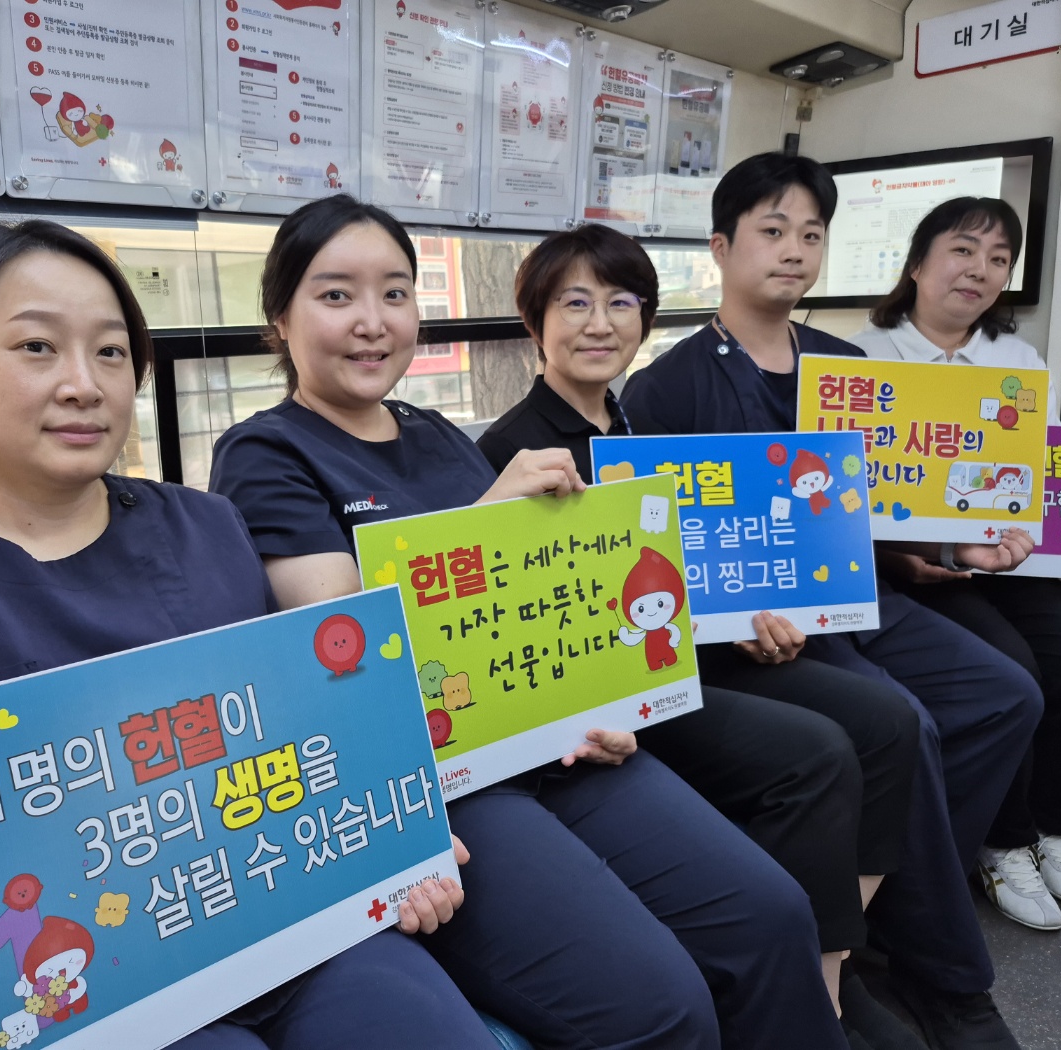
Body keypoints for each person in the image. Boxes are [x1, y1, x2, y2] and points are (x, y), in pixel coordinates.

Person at [0, 220, 500, 1050]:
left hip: (289, 925)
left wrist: (386, 842)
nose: (85, 384)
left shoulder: (209, 528)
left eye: (111, 352)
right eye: (37, 348)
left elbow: (298, 738)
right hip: (86, 994)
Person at [207, 193, 847, 1050]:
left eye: (395, 293)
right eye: (335, 295)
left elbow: (534, 606)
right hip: (441, 785)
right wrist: (486, 518)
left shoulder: (435, 432)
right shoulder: (266, 451)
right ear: (280, 318)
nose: (372, 321)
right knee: (661, 1004)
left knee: (773, 915)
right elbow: (345, 649)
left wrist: (601, 701)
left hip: (556, 745)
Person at [620, 153, 1045, 1050]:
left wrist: (952, 546)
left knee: (1006, 695)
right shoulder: (666, 386)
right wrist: (730, 622)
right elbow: (651, 545)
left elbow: (888, 506)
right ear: (721, 247)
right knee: (903, 725)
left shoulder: (846, 367)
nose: (795, 250)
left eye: (811, 235)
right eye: (773, 231)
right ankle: (942, 971)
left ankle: (878, 904)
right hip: (752, 629)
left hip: (858, 599)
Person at [476, 223, 925, 1050]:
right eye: (574, 304)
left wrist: (746, 619)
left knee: (888, 720)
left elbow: (688, 573)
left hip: (681, 660)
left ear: (645, 320)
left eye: (622, 304)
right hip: (609, 703)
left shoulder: (638, 432)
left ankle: (831, 966)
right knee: (817, 751)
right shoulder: (509, 455)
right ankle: (815, 987)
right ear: (535, 321)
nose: (600, 323)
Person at [849, 196, 1061, 931]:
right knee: (1017, 676)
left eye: (998, 258)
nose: (979, 269)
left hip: (1010, 565)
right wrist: (909, 557)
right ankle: (1002, 840)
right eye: (962, 249)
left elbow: (1050, 481)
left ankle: (1053, 824)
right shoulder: (859, 357)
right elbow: (840, 493)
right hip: (915, 575)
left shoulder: (1018, 362)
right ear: (918, 263)